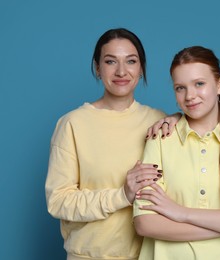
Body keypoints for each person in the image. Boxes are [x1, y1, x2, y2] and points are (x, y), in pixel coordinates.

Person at [45, 28, 180, 260]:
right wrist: (122, 195)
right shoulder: (72, 124)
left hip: (151, 255)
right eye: (110, 61)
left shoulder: (160, 121)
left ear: (141, 69)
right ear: (98, 68)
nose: (121, 71)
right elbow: (58, 201)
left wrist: (180, 119)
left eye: (131, 61)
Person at [133, 46, 220, 260]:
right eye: (180, 88)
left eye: (199, 84)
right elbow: (146, 223)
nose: (190, 96)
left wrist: (182, 213)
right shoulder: (160, 140)